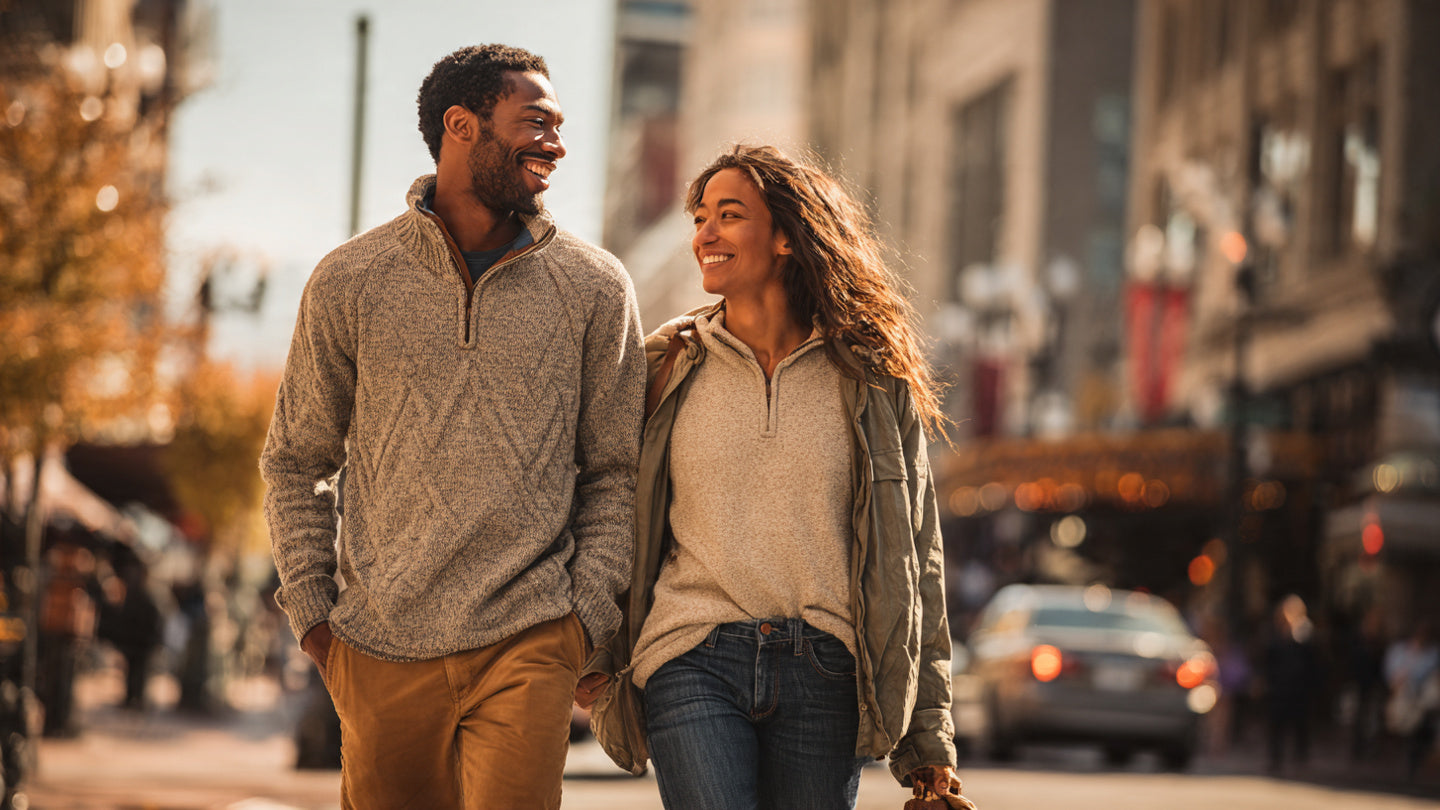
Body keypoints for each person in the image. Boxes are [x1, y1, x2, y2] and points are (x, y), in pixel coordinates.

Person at [261, 44, 645, 809]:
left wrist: (583, 617)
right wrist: (314, 619)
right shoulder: (351, 279)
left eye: (561, 126)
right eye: (535, 122)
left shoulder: (595, 286)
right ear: (460, 126)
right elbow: (297, 460)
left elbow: (614, 469)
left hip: (531, 636)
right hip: (376, 645)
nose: (558, 145)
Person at [584, 144, 963, 809]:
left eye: (729, 215)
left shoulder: (871, 379)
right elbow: (606, 505)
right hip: (690, 652)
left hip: (827, 668)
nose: (706, 233)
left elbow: (915, 560)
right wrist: (590, 652)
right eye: (700, 216)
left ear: (787, 236)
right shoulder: (664, 367)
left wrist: (929, 738)